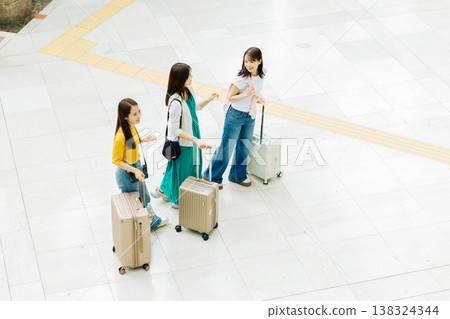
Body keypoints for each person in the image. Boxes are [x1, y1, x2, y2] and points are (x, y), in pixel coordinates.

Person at [151, 62, 218, 208]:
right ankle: (177, 199)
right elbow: (174, 130)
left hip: (193, 136)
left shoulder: (189, 90)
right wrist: (195, 139)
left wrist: (209, 99)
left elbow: (195, 107)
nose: (192, 76)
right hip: (184, 142)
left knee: (185, 167)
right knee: (182, 170)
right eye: (189, 75)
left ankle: (164, 190)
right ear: (182, 78)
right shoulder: (175, 102)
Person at [203, 47, 265, 188]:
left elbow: (256, 89)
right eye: (246, 61)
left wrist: (256, 98)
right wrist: (246, 95)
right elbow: (230, 97)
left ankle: (237, 175)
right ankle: (211, 175)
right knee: (227, 147)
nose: (248, 65)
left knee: (244, 146)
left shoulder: (262, 74)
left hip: (250, 116)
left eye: (252, 62)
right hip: (235, 115)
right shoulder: (242, 80)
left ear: (260, 61)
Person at [112, 98, 168, 231]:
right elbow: (116, 160)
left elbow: (131, 142)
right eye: (135, 114)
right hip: (127, 173)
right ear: (125, 117)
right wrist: (135, 171)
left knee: (145, 197)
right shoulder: (120, 137)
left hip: (135, 167)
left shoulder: (131, 127)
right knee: (136, 202)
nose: (139, 116)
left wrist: (143, 140)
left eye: (139, 111)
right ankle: (146, 225)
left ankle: (152, 221)